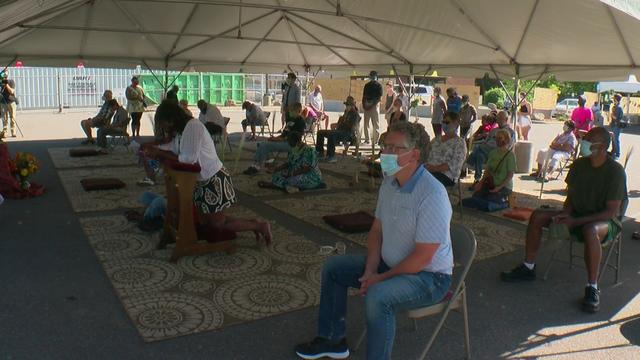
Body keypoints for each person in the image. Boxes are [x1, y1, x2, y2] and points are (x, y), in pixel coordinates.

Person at [294, 121, 453, 360]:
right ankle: (332, 339)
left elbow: (423, 257)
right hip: (390, 265)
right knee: (333, 268)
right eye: (384, 146)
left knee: (378, 296)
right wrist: (370, 269)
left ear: (415, 155)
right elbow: (377, 230)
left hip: (429, 277)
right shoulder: (390, 182)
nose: (385, 153)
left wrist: (380, 278)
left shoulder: (432, 194)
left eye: (394, 148)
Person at [501, 127, 626, 313]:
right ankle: (528, 266)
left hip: (604, 222)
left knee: (590, 230)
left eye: (587, 140)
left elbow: (610, 212)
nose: (583, 142)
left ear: (600, 146)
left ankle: (592, 287)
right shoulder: (579, 165)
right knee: (537, 216)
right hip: (578, 214)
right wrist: (566, 214)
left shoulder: (615, 172)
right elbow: (571, 198)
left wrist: (575, 222)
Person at [150, 100, 273, 243]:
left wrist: (160, 153)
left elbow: (188, 158)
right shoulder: (183, 129)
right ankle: (253, 223)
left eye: (163, 123)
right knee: (210, 222)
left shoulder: (193, 127)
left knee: (217, 224)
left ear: (171, 119)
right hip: (202, 181)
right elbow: (175, 148)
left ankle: (259, 225)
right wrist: (156, 149)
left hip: (213, 179)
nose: (163, 127)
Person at [243, 102, 306, 175]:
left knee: (265, 146)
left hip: (292, 145)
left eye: (292, 111)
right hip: (284, 141)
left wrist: (278, 139)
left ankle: (257, 166)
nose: (290, 112)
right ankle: (257, 164)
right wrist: (275, 138)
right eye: (290, 110)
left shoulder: (300, 122)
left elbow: (295, 138)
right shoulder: (290, 120)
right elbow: (284, 134)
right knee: (261, 144)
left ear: (298, 111)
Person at [467, 110, 515, 186]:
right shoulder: (493, 131)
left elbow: (509, 146)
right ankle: (478, 180)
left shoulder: (510, 132)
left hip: (498, 152)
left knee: (479, 148)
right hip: (486, 151)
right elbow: (486, 142)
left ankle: (469, 162)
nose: (498, 120)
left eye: (500, 118)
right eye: (498, 118)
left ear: (506, 119)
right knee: (479, 155)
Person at [471, 129, 516, 203]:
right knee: (476, 196)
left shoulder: (510, 156)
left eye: (500, 138)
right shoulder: (493, 153)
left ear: (506, 140)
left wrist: (499, 188)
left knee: (491, 200)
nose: (497, 140)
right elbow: (487, 171)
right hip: (491, 183)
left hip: (504, 186)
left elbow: (510, 175)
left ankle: (504, 202)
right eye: (496, 138)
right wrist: (480, 183)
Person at [426, 112, 467, 186]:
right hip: (428, 171)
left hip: (446, 176)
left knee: (424, 182)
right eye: (443, 122)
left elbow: (455, 164)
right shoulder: (436, 139)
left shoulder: (460, 143)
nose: (444, 125)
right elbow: (425, 153)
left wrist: (434, 168)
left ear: (456, 124)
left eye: (447, 122)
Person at [316, 96, 361, 163]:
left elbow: (352, 128)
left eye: (348, 105)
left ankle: (330, 156)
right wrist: (340, 120)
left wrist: (344, 121)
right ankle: (320, 152)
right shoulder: (346, 112)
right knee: (320, 132)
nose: (346, 106)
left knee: (332, 134)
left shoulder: (355, 114)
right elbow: (340, 124)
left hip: (348, 134)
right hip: (340, 131)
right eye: (346, 105)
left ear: (352, 106)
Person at [361, 70, 383, 144]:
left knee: (375, 124)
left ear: (376, 77)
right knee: (366, 123)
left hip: (374, 105)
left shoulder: (379, 86)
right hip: (367, 105)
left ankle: (375, 140)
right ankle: (367, 140)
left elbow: (379, 98)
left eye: (374, 75)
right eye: (371, 75)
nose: (373, 77)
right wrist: (364, 105)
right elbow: (364, 96)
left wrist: (372, 104)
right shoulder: (367, 85)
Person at [0, 70, 17, 137]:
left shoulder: (11, 81)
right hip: (3, 103)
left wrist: (6, 84)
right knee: (4, 118)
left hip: (11, 102)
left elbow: (11, 91)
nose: (5, 77)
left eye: (5, 75)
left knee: (12, 117)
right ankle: (5, 132)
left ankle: (13, 132)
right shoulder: (1, 82)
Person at [610, 93, 624, 159]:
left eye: (614, 99)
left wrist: (612, 116)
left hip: (617, 126)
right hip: (614, 125)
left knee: (616, 140)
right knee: (613, 139)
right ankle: (613, 152)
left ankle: (617, 154)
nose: (613, 100)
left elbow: (619, 118)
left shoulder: (619, 107)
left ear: (616, 99)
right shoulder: (615, 107)